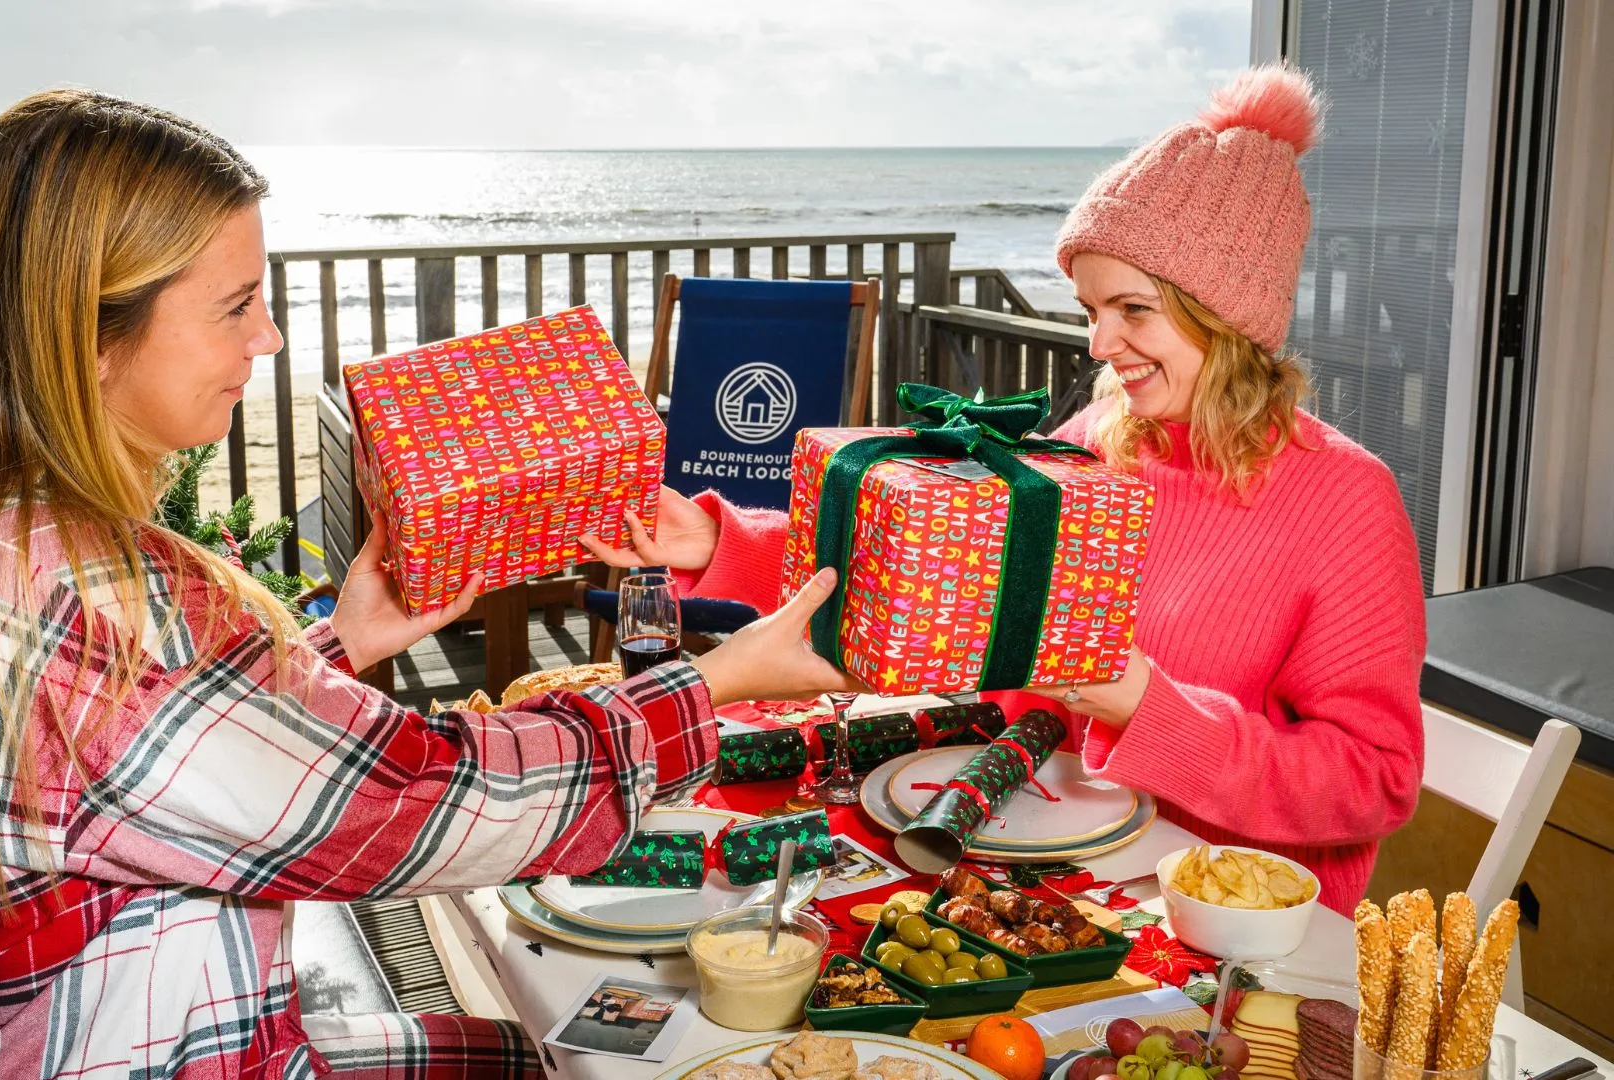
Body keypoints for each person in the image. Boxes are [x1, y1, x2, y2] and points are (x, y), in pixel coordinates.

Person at [0, 90, 850, 1080]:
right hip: (100, 1054)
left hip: (36, 1036)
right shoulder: (80, 593)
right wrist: (708, 691)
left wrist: (347, 640)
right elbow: (413, 805)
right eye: (235, 306)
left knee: (523, 1054)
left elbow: (143, 766)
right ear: (86, 338)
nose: (270, 338)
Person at [583, 66, 1427, 915]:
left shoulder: (1345, 499)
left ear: (1229, 315)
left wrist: (1146, 705)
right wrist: (722, 543)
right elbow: (939, 577)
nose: (1100, 344)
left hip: (1208, 915)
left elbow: (1372, 784)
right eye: (1091, 308)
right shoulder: (1097, 442)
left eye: (1132, 310)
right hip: (1009, 852)